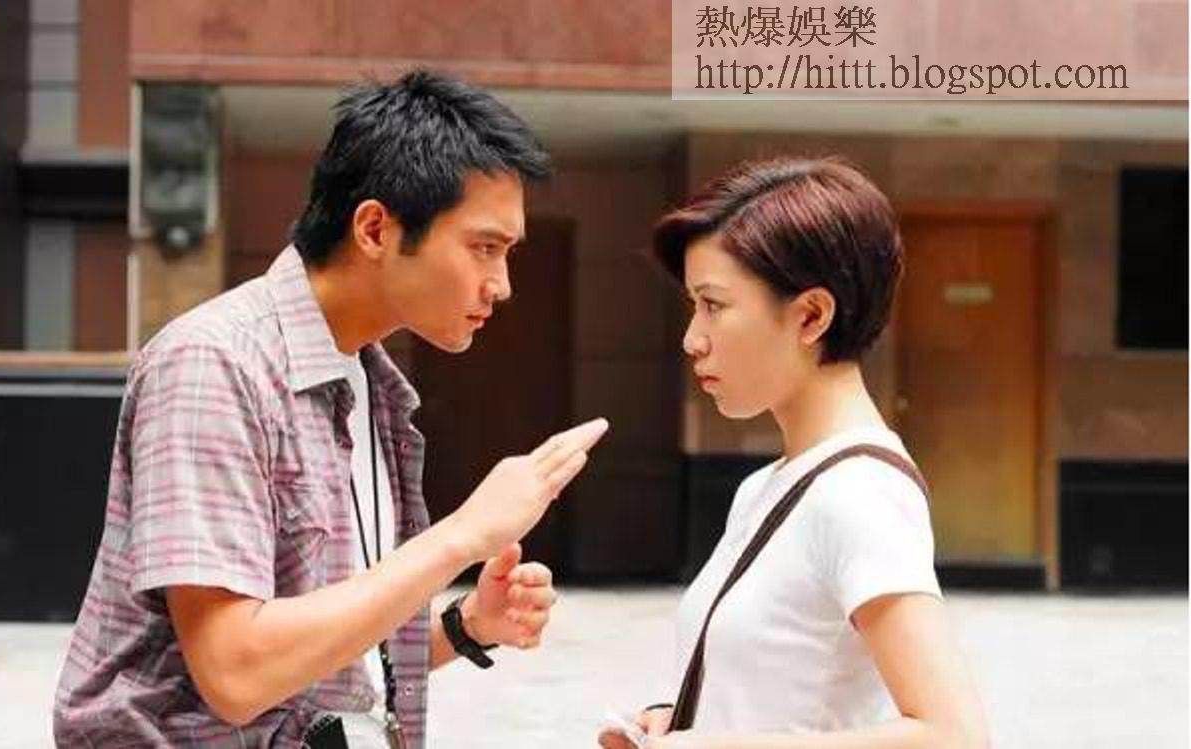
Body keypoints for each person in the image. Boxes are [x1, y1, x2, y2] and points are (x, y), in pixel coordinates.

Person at [54, 69, 609, 748]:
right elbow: (236, 672)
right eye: (484, 248)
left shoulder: (371, 381)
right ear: (375, 228)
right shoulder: (213, 364)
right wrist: (462, 535)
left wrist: (466, 626)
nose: (502, 284)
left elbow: (331, 660)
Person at [601, 157, 987, 749]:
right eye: (693, 306)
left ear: (810, 316)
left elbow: (953, 735)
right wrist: (674, 720)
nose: (692, 339)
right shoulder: (767, 486)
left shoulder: (860, 492)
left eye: (713, 305)